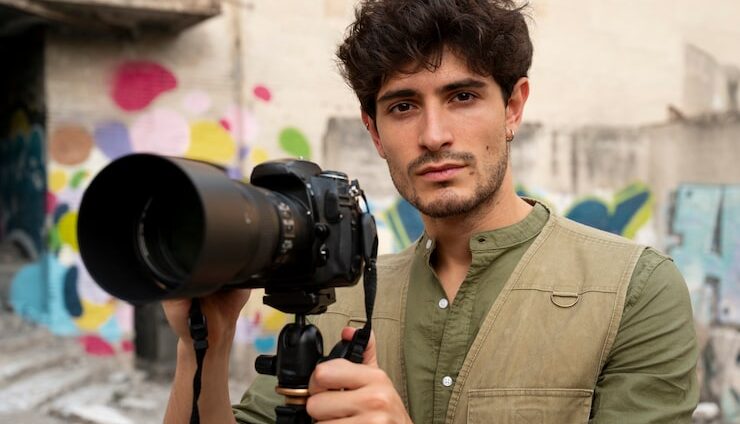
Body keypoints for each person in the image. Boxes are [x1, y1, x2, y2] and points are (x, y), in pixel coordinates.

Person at [163, 1, 699, 423]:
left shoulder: (633, 289)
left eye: (462, 97)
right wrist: (204, 345)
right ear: (375, 133)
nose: (434, 135)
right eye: (403, 106)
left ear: (513, 107)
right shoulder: (334, 296)